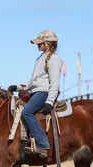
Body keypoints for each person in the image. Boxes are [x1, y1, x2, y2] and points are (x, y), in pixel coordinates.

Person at [8, 30, 63, 158]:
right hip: (36, 91)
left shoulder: (54, 59)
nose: (37, 45)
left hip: (44, 93)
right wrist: (18, 86)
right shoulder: (41, 58)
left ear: (48, 43)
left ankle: (42, 144)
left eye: (40, 43)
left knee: (26, 112)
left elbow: (54, 83)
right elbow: (34, 82)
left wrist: (49, 102)